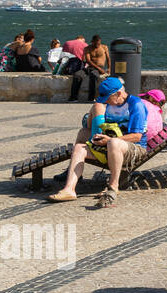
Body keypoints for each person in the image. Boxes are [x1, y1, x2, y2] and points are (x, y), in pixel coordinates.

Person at [47, 76, 149, 208]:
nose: (105, 101)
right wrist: (94, 110)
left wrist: (110, 140)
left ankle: (113, 186)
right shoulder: (109, 104)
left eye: (107, 98)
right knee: (79, 146)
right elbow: (89, 127)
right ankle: (69, 189)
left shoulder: (136, 105)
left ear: (118, 93)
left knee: (113, 143)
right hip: (111, 144)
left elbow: (136, 136)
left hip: (135, 148)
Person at [69, 35, 109, 103]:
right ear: (92, 42)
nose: (97, 45)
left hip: (99, 68)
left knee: (93, 75)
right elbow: (88, 60)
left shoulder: (104, 47)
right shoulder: (87, 48)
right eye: (95, 44)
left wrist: (109, 68)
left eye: (98, 44)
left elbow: (108, 59)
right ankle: (73, 97)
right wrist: (99, 69)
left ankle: (91, 98)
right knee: (77, 75)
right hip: (90, 67)